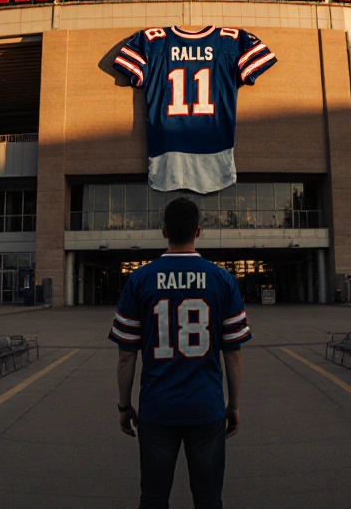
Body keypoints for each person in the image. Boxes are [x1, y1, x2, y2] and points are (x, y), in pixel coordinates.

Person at [110, 197, 250, 509]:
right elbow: (233, 353)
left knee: (154, 498)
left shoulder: (140, 279)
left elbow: (126, 355)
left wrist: (124, 405)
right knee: (209, 499)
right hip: (207, 406)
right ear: (198, 231)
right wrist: (234, 404)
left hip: (157, 408)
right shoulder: (222, 280)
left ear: (164, 232)